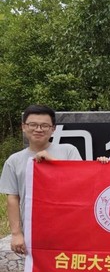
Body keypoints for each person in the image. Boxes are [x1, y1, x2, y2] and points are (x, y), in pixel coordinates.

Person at [0, 105, 82, 257]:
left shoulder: (68, 151)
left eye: (44, 125)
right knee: (36, 270)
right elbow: (12, 198)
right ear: (24, 127)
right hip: (32, 230)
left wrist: (54, 161)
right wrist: (16, 233)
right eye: (33, 125)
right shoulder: (14, 161)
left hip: (68, 228)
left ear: (53, 129)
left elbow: (80, 182)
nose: (38, 129)